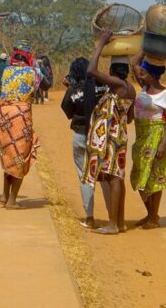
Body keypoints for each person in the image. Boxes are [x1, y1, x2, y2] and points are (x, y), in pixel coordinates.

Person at [83, 30, 136, 234]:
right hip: (120, 136)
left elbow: (91, 70)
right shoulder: (130, 88)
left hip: (112, 138)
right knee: (117, 178)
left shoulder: (117, 85)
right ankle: (119, 222)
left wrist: (101, 45)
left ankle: (113, 224)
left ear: (113, 71)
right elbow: (129, 118)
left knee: (113, 178)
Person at [129, 50, 166, 230]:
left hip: (157, 138)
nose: (140, 75)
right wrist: (146, 48)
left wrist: (163, 144)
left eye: (144, 73)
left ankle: (152, 217)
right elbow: (134, 63)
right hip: (141, 138)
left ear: (152, 75)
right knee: (139, 176)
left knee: (155, 178)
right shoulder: (144, 87)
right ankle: (151, 214)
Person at [60, 56, 111, 229]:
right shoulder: (103, 86)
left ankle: (89, 218)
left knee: (85, 177)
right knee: (104, 177)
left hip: (81, 135)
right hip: (101, 137)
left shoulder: (73, 91)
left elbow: (68, 111)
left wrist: (71, 89)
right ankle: (113, 218)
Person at [0, 40, 41, 209]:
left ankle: (4, 196)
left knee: (8, 155)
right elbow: (39, 87)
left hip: (2, 115)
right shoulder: (32, 72)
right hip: (19, 116)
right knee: (20, 157)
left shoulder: (6, 70)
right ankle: (12, 200)